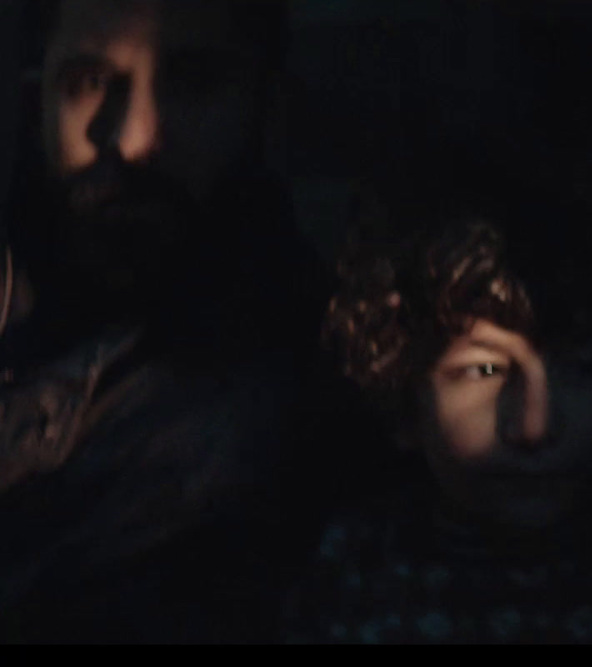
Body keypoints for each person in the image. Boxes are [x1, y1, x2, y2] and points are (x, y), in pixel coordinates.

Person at [0, 0, 342, 641]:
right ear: (35, 100)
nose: (130, 140)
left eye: (194, 84)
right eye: (89, 84)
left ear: (267, 111)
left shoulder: (308, 388)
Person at [283, 168, 592, 644]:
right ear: (404, 395)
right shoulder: (352, 565)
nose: (534, 426)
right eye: (484, 371)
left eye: (587, 371)